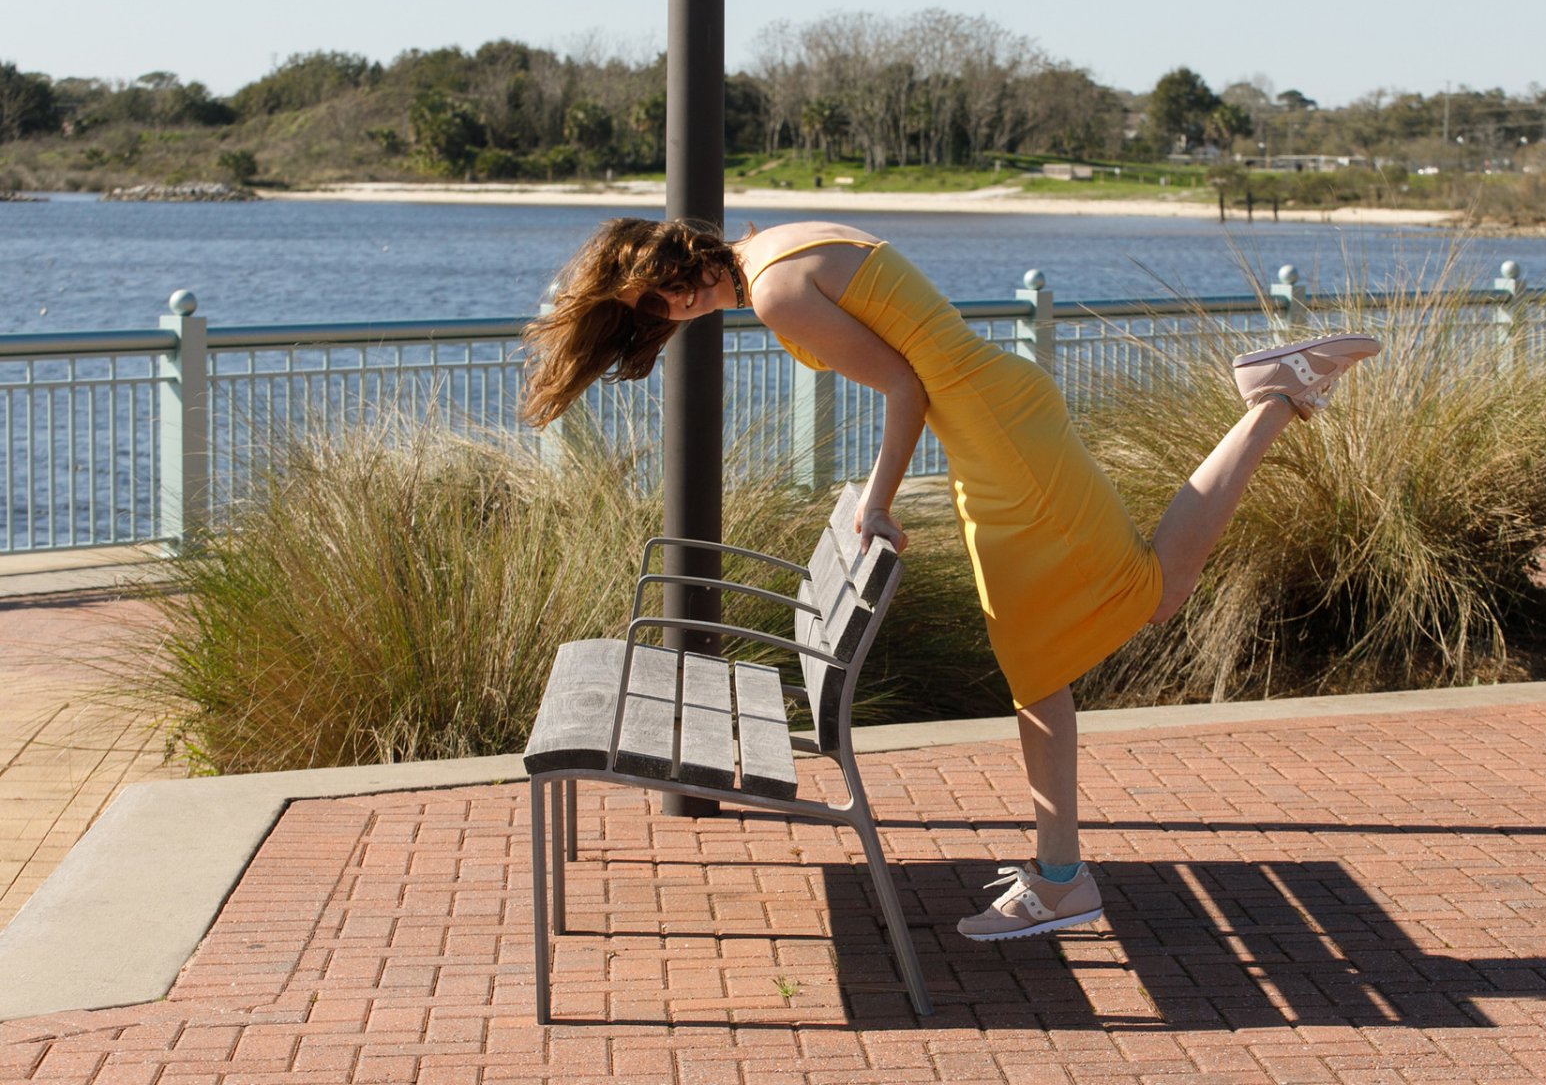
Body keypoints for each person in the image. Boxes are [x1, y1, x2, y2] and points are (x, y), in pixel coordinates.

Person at [520, 216, 1379, 942]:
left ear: (674, 260)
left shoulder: (776, 292)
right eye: (649, 316)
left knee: (1117, 617)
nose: (668, 313)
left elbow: (905, 385)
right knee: (1046, 664)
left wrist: (877, 503)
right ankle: (1059, 871)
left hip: (995, 435)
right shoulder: (780, 243)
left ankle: (1273, 397)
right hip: (996, 421)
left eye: (657, 296)